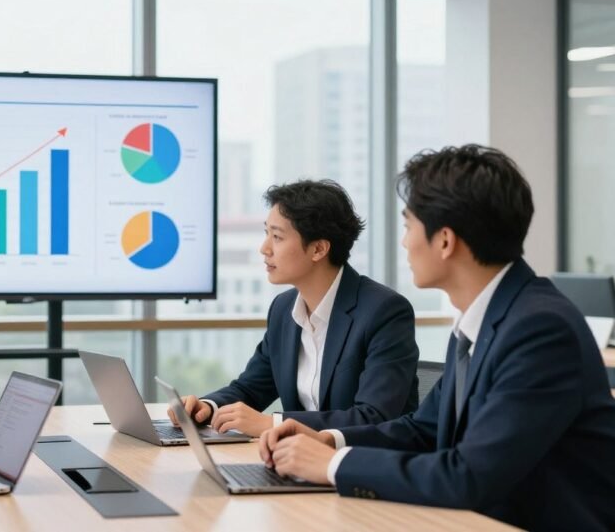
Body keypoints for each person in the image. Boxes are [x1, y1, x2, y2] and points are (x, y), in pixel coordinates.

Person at [258, 145, 615, 531]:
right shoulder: (484, 318)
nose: (404, 242)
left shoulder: (539, 329)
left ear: (444, 241)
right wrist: (327, 439)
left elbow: (469, 476)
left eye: (409, 226)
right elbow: (421, 429)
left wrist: (331, 465)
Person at [169, 180, 419, 437]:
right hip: (299, 462)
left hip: (364, 466)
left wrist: (274, 424)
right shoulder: (283, 308)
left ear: (318, 249)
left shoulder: (384, 312)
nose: (264, 248)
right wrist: (207, 407)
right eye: (267, 233)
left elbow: (374, 416)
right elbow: (251, 388)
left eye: (277, 237)